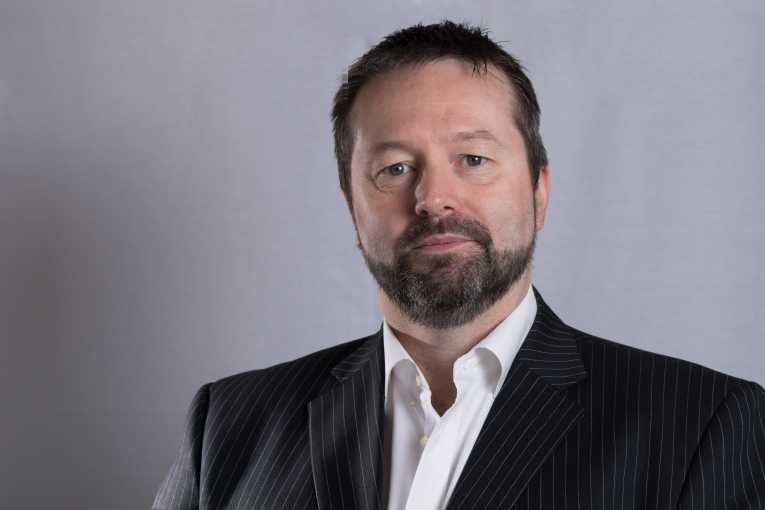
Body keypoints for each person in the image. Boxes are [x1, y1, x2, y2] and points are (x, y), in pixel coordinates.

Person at [153, 21, 765, 510]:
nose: (433, 198)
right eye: (395, 168)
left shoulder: (703, 426)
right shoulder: (229, 426)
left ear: (539, 192)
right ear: (352, 208)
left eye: (473, 159)